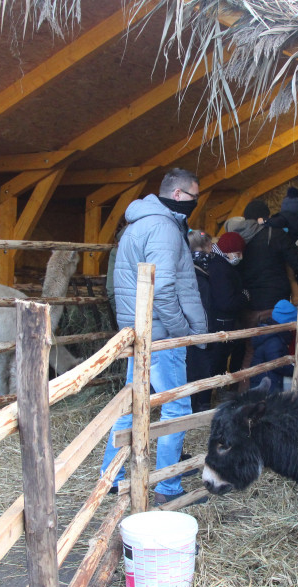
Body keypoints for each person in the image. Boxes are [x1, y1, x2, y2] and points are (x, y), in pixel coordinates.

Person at [100, 168, 208, 505]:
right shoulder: (163, 227)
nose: (195, 202)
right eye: (194, 196)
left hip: (141, 327)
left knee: (134, 403)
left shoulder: (140, 222)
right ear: (177, 195)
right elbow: (162, 289)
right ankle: (167, 487)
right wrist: (181, 331)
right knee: (177, 407)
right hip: (159, 332)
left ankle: (112, 477)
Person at [226, 199, 298, 380]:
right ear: (264, 217)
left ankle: (239, 390)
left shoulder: (238, 237)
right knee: (273, 349)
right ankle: (267, 394)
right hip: (273, 304)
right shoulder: (275, 235)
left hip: (245, 304)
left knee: (247, 350)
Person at [208, 231, 249, 380]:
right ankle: (211, 395)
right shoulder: (220, 268)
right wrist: (245, 296)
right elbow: (226, 302)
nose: (240, 257)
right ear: (229, 251)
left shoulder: (215, 261)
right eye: (238, 253)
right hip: (221, 322)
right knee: (217, 360)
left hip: (218, 321)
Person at [186, 230, 214, 412]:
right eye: (210, 246)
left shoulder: (184, 266)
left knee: (190, 365)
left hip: (188, 326)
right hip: (201, 324)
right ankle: (200, 405)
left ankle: (193, 404)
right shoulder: (202, 271)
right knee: (202, 365)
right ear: (205, 247)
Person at [249, 299, 298, 393]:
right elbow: (276, 363)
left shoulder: (272, 334)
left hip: (266, 380)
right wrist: (294, 370)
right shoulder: (273, 340)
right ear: (287, 323)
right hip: (268, 384)